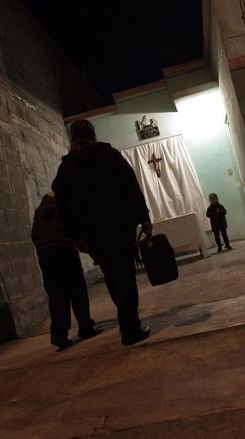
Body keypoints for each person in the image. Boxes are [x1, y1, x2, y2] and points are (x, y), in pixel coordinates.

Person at [52, 119, 152, 346]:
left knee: (112, 276)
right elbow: (131, 186)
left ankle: (127, 321)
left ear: (72, 137)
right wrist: (143, 217)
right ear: (93, 134)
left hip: (93, 235)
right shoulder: (110, 156)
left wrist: (75, 235)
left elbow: (64, 206)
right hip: (119, 228)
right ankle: (130, 327)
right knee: (125, 275)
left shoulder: (66, 168)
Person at [31, 191, 102, 350]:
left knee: (56, 294)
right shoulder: (63, 207)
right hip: (64, 250)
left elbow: (34, 235)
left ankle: (59, 333)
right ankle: (85, 327)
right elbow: (74, 232)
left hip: (45, 254)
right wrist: (93, 254)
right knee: (77, 289)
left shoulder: (39, 212)